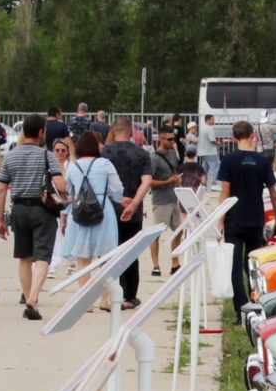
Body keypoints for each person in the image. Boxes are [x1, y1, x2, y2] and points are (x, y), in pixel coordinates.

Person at [0, 112, 59, 320]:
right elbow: (60, 184)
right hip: (42, 209)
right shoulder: (47, 155)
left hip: (19, 210)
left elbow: (1, 190)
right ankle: (33, 298)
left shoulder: (11, 155)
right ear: (41, 132)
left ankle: (27, 294)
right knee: (42, 257)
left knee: (24, 257)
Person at [59, 128, 126, 310]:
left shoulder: (73, 166)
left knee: (83, 260)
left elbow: (69, 190)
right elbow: (118, 188)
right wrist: (111, 196)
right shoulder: (104, 164)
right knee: (106, 259)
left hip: (80, 212)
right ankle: (104, 300)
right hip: (102, 211)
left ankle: (86, 301)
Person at [214, 118, 276, 297]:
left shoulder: (228, 160)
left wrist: (221, 220)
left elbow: (224, 192)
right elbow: (274, 194)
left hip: (234, 219)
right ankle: (254, 297)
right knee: (251, 263)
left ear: (234, 138)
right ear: (252, 135)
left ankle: (240, 306)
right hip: (255, 218)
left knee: (234, 266)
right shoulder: (262, 161)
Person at [101, 118, 154, 307]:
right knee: (131, 253)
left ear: (113, 131)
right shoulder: (141, 153)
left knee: (110, 252)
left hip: (109, 209)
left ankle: (109, 293)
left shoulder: (104, 152)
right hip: (134, 210)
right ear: (131, 132)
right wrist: (134, 205)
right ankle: (129, 296)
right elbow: (147, 181)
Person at [144, 126, 185, 271]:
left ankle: (175, 262)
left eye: (173, 139)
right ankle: (156, 265)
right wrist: (167, 182)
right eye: (169, 139)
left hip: (173, 198)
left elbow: (174, 168)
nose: (172, 141)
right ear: (160, 139)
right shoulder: (154, 158)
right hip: (161, 200)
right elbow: (149, 181)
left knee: (179, 230)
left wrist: (177, 180)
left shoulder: (173, 153)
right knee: (156, 233)